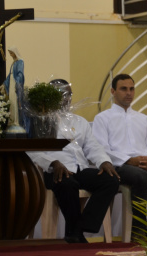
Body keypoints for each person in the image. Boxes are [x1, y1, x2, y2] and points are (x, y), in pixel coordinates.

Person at [29, 79, 120, 244]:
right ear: (50, 97)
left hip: (81, 169)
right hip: (56, 170)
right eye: (60, 94)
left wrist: (104, 161)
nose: (65, 99)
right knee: (66, 184)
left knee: (111, 180)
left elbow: (93, 146)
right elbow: (33, 150)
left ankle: (79, 228)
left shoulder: (80, 121)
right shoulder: (40, 121)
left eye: (68, 95)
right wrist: (53, 162)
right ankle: (76, 232)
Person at [92, 73, 147, 238]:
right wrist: (129, 160)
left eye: (132, 89)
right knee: (140, 177)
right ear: (113, 91)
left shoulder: (142, 118)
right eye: (123, 89)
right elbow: (101, 148)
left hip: (144, 164)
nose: (129, 93)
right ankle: (138, 230)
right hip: (119, 165)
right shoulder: (102, 119)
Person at [1, 46, 27, 136]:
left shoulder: (20, 62)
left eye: (11, 53)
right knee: (11, 102)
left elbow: (20, 74)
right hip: (11, 83)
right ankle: (11, 121)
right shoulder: (13, 63)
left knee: (16, 101)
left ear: (15, 53)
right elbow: (9, 75)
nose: (10, 55)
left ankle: (16, 122)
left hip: (15, 83)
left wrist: (17, 83)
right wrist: (4, 84)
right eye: (10, 53)